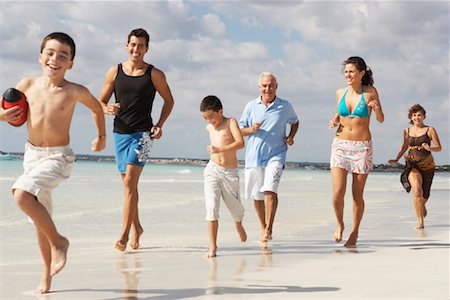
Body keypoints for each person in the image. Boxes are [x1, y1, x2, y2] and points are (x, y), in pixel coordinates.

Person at [7, 32, 106, 294]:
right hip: (32, 157)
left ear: (71, 63)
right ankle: (47, 276)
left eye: (63, 55)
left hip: (58, 157)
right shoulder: (26, 85)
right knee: (40, 220)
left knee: (21, 195)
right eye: (50, 52)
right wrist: (4, 115)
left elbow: (97, 108)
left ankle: (60, 242)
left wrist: (101, 137)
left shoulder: (74, 91)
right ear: (41, 56)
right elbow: (6, 112)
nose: (55, 58)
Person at [98, 28, 174, 252]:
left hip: (143, 134)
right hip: (119, 133)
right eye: (133, 44)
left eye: (141, 46)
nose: (136, 49)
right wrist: (107, 108)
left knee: (130, 183)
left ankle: (123, 235)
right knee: (128, 186)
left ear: (147, 49)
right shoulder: (114, 71)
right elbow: (100, 101)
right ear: (126, 45)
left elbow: (169, 101)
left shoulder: (154, 74)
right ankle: (138, 228)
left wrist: (159, 124)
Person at [328, 56, 384, 247]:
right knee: (337, 192)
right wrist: (334, 120)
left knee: (356, 195)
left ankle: (354, 232)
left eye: (351, 71)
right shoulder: (339, 93)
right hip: (340, 145)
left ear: (361, 73)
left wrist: (376, 108)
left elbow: (381, 119)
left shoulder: (370, 93)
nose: (348, 75)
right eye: (346, 72)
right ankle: (340, 225)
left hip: (362, 147)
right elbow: (338, 113)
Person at [239, 72, 299, 242]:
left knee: (270, 191)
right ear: (259, 87)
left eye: (271, 85)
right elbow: (240, 129)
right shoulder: (251, 106)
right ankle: (262, 226)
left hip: (277, 155)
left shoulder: (285, 106)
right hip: (254, 157)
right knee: (257, 197)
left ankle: (268, 230)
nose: (268, 89)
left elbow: (295, 121)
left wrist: (291, 136)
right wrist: (251, 129)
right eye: (264, 85)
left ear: (276, 87)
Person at [200, 95, 247, 258]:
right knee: (211, 207)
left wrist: (219, 149)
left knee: (236, 209)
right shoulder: (209, 128)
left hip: (229, 172)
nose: (209, 122)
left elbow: (241, 143)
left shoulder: (231, 122)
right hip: (212, 170)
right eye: (205, 118)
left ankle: (238, 223)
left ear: (221, 111)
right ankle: (213, 246)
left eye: (211, 117)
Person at [388, 104, 441, 229]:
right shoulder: (407, 131)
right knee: (417, 190)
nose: (417, 118)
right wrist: (396, 159)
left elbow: (439, 147)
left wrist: (430, 148)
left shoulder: (430, 130)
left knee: (425, 194)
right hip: (412, 164)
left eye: (419, 115)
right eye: (414, 115)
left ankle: (422, 205)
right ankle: (420, 221)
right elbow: (404, 147)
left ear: (424, 116)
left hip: (427, 165)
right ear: (411, 117)